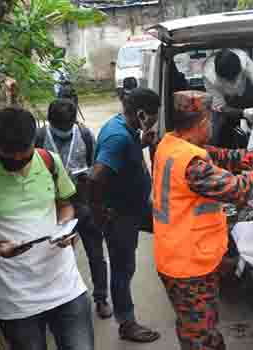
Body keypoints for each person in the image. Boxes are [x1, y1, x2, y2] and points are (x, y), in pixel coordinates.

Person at [152, 91, 253, 350]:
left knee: (199, 327)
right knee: (199, 336)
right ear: (201, 122)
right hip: (188, 264)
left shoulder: (171, 144)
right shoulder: (191, 164)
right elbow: (239, 189)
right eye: (210, 120)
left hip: (182, 254)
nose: (212, 125)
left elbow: (219, 156)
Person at [0, 107, 94, 350]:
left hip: (65, 285)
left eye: (25, 154)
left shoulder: (50, 161)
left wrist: (65, 227)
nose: (19, 161)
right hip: (16, 300)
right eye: (10, 156)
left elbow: (65, 205)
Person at [90, 88, 160, 343]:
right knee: (123, 268)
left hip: (135, 207)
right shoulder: (118, 137)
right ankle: (126, 323)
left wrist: (141, 142)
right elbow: (95, 177)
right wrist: (99, 212)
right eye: (152, 117)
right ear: (141, 114)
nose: (153, 122)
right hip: (120, 214)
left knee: (168, 227)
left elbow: (122, 156)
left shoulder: (124, 128)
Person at [35, 99, 112, 319]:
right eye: (60, 128)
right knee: (54, 256)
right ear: (50, 122)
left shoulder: (85, 135)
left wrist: (100, 204)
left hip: (83, 202)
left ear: (74, 122)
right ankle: (54, 304)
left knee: (96, 254)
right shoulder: (40, 138)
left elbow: (96, 165)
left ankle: (101, 299)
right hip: (54, 207)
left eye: (68, 127)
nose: (64, 132)